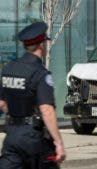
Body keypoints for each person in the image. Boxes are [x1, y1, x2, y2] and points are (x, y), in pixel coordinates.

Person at [0, 22, 65, 169]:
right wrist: (58, 143)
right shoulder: (40, 73)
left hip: (12, 136)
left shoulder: (8, 69)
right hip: (34, 139)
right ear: (42, 45)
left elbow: (2, 103)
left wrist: (17, 118)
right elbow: (46, 109)